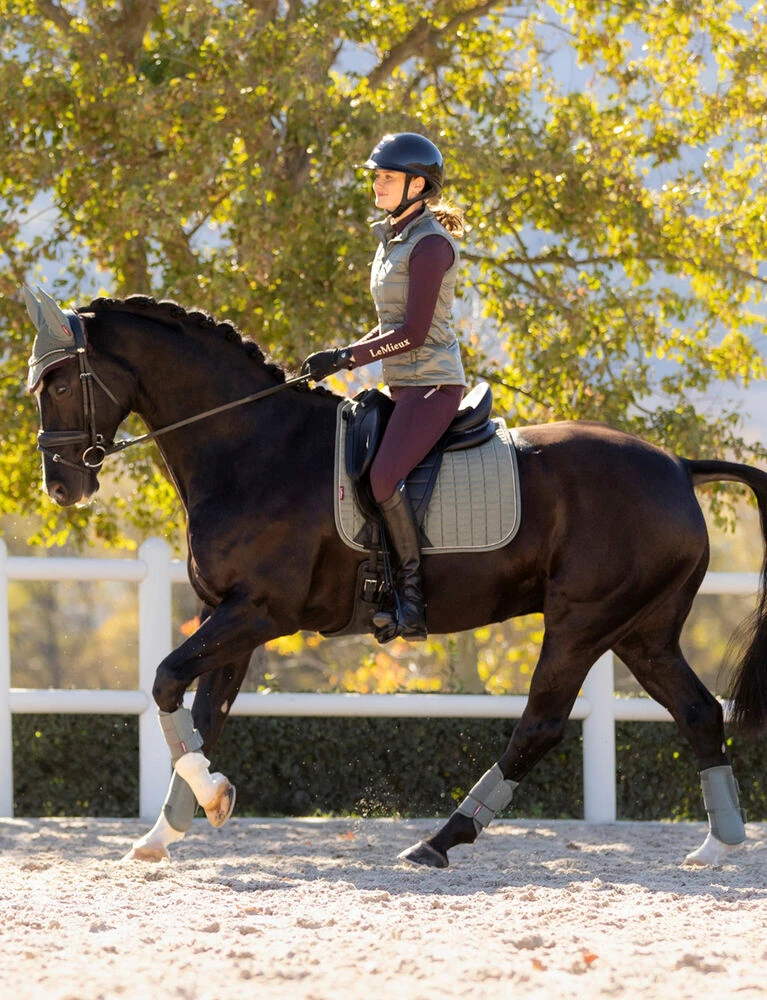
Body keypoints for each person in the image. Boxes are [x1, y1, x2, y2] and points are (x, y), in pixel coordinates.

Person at [302, 132, 467, 642]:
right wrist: (340, 356)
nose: (377, 183)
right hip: (403, 387)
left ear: (418, 184)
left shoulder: (432, 245)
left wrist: (349, 357)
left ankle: (413, 602)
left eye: (387, 177)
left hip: (434, 387)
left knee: (382, 479)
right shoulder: (394, 239)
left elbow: (414, 333)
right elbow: (392, 323)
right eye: (377, 175)